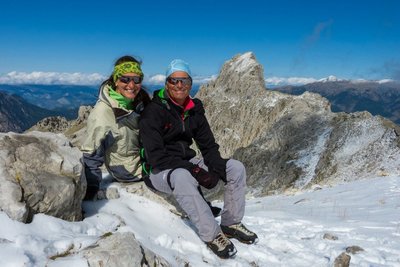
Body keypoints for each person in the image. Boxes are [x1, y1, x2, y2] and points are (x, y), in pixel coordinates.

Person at [139, 59, 258, 259]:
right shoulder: (154, 111)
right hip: (158, 170)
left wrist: (217, 166)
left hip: (184, 162)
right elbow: (156, 157)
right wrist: (194, 170)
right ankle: (212, 235)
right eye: (174, 81)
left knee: (235, 168)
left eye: (184, 81)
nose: (179, 86)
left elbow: (208, 146)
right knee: (183, 177)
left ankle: (231, 223)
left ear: (190, 84)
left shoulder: (194, 109)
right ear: (166, 83)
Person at [81, 55, 150, 200]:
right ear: (116, 80)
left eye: (136, 79)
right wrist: (91, 190)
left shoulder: (139, 102)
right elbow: (91, 155)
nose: (131, 85)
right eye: (125, 79)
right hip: (129, 171)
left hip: (144, 160)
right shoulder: (103, 113)